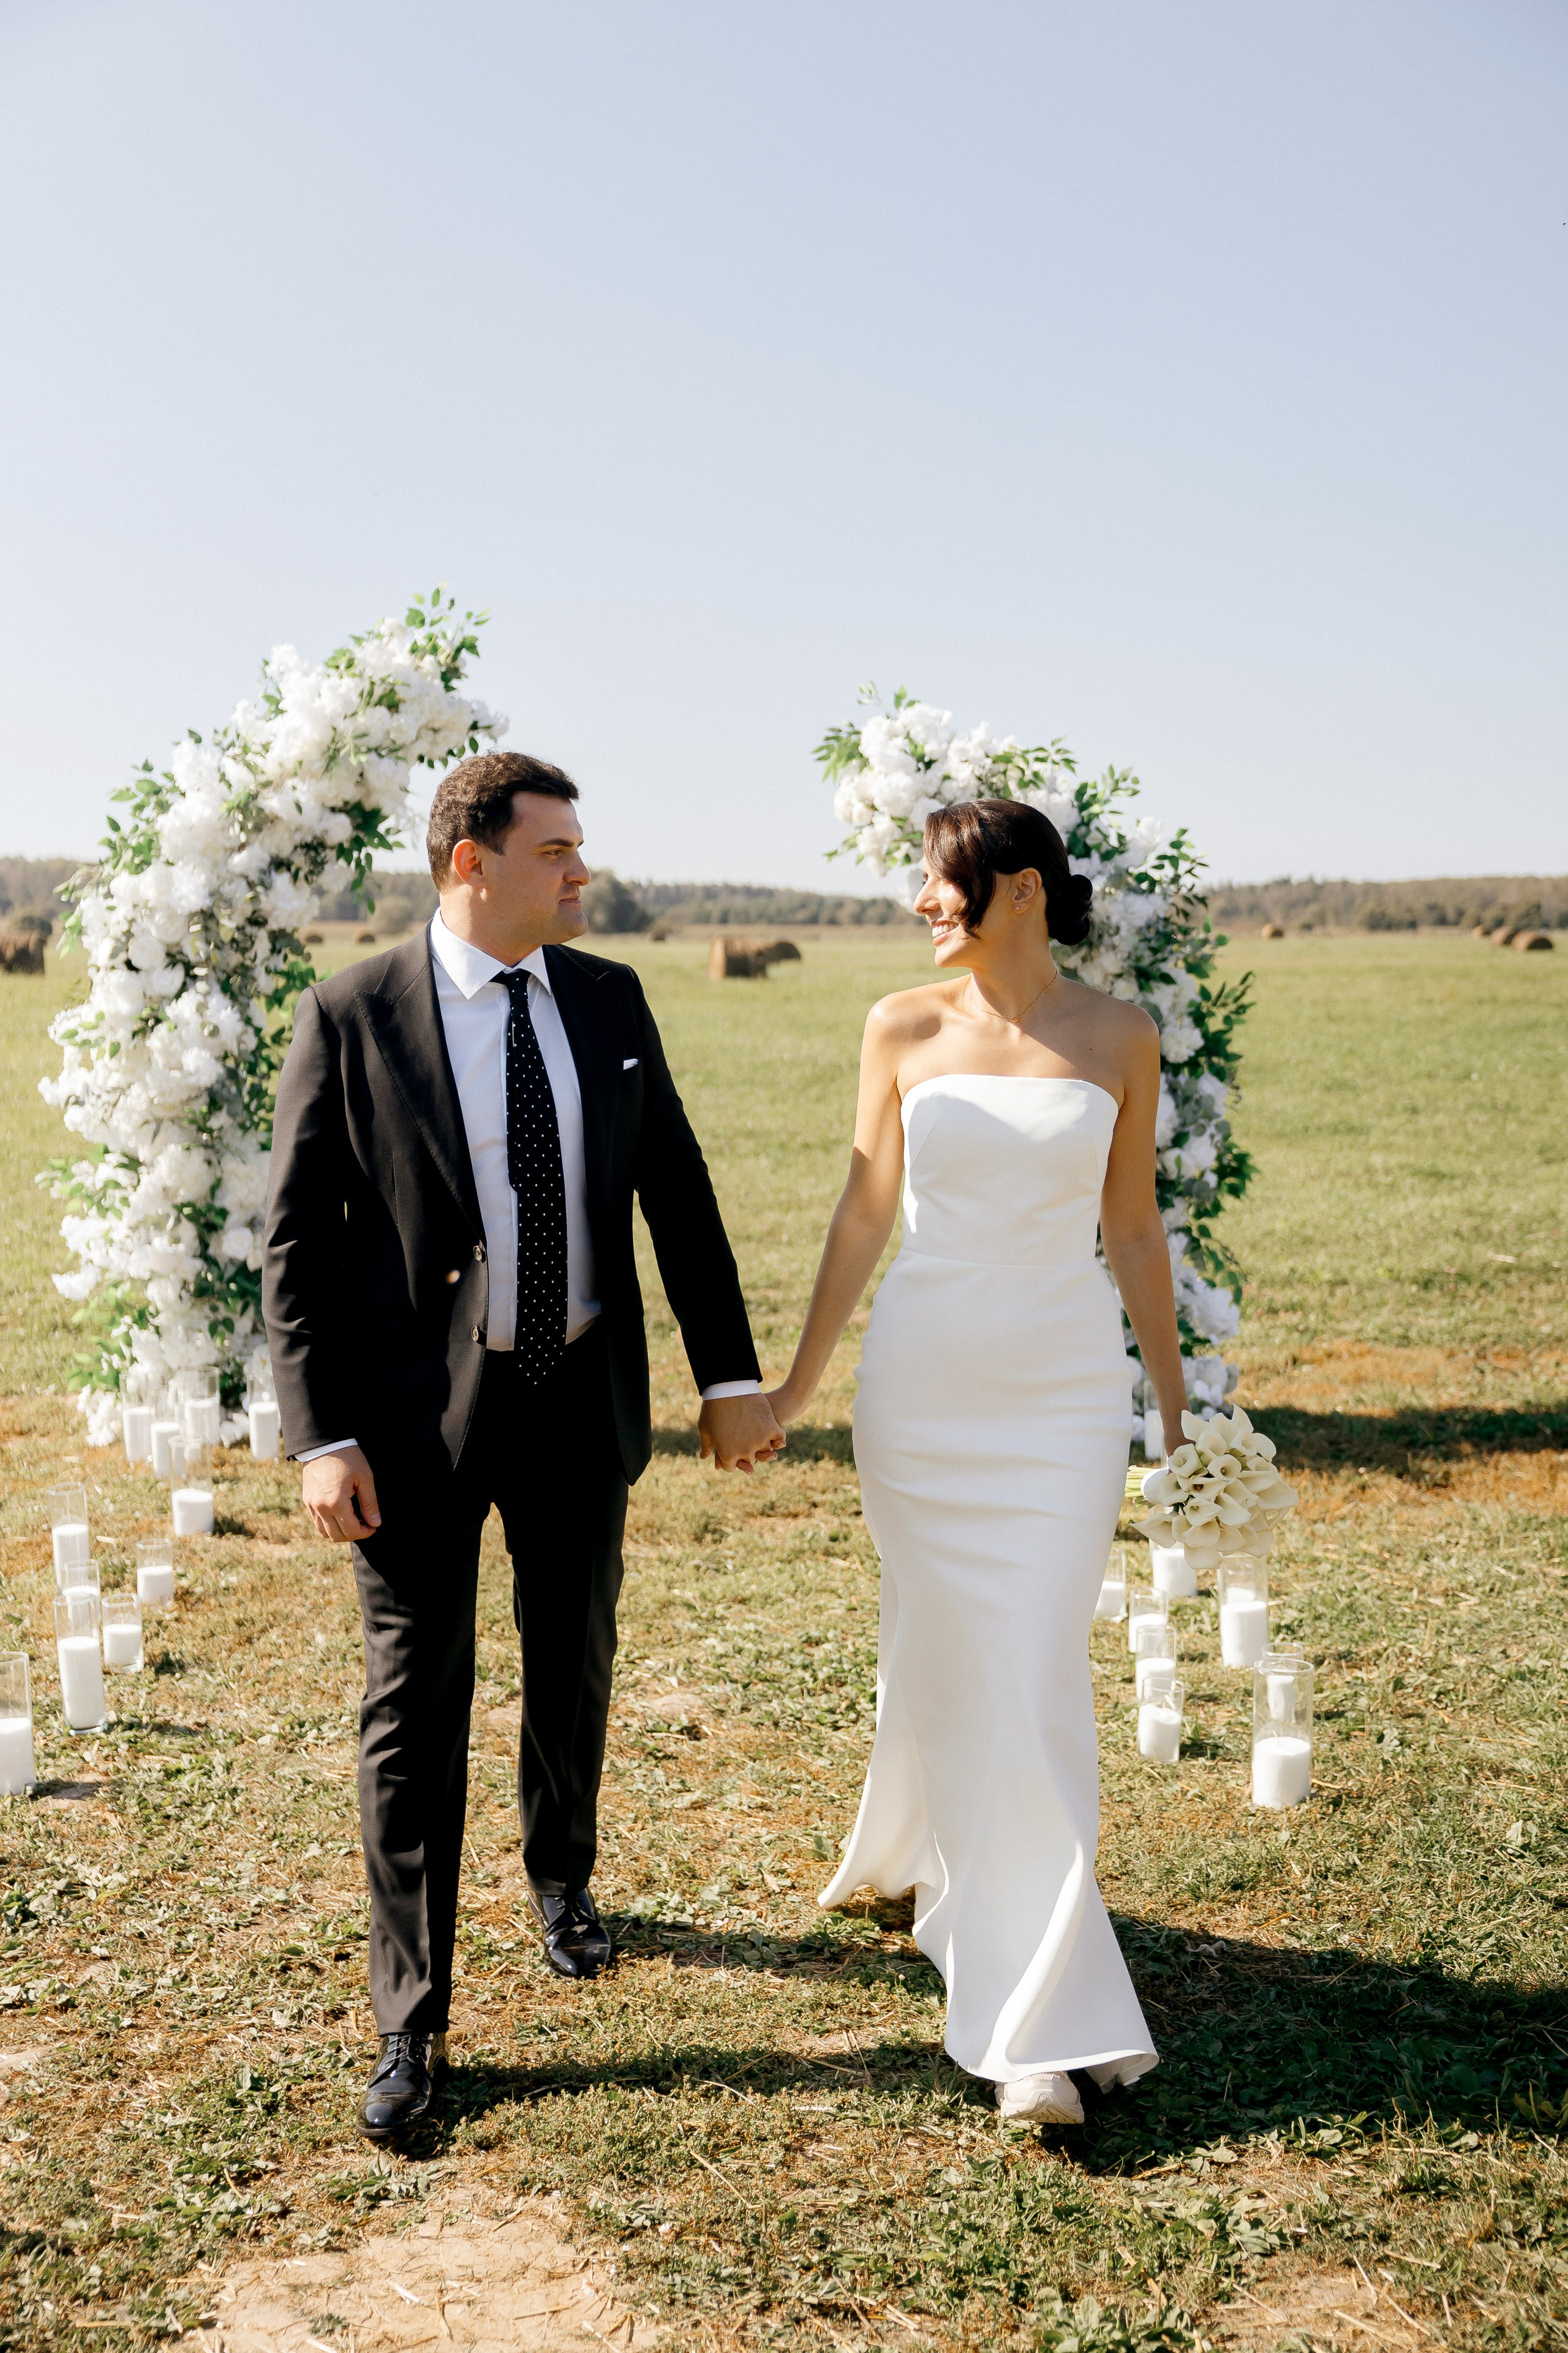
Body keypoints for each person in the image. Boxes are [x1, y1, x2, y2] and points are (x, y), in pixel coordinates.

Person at [262, 750, 784, 2142]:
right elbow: (298, 1247)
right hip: (415, 1421)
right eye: (555, 849)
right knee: (412, 1706)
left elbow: (676, 1190)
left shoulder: (607, 998)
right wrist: (319, 1437)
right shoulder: (354, 1010)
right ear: (467, 862)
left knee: (576, 1655)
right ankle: (411, 2024)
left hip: (578, 1395)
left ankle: (562, 1876)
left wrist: (727, 1373)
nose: (580, 872)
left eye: (578, 847)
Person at [764, 796, 1188, 2124]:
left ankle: (1021, 1973)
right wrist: (796, 1380)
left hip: (1063, 1402)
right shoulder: (900, 1026)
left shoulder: (1120, 1034)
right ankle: (1028, 2025)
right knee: (963, 1660)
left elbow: (1130, 1227)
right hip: (923, 1397)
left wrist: (1174, 1405)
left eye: (938, 883)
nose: (916, 904)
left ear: (1016, 889)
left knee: (1033, 1673)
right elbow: (863, 1209)